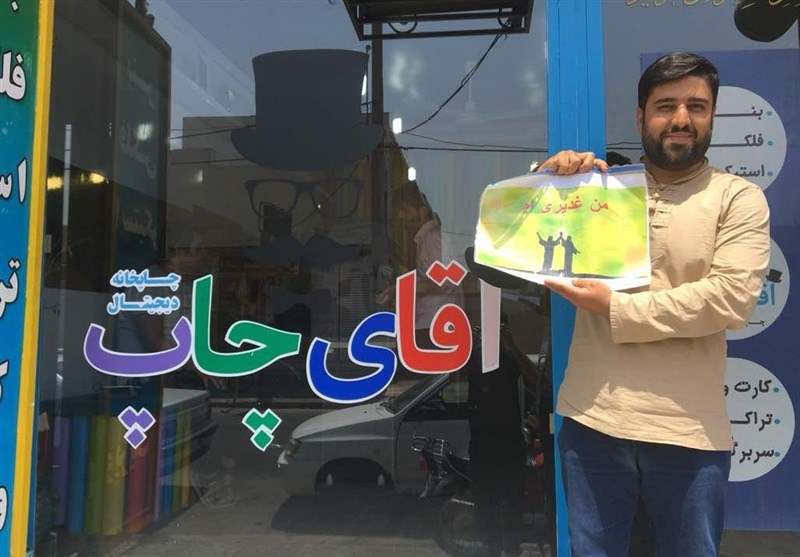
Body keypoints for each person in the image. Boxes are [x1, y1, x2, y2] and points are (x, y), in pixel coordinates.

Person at [536, 53, 770, 557]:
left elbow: (730, 299)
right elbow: (525, 243)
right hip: (592, 422)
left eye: (696, 106)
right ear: (641, 117)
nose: (681, 118)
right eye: (666, 106)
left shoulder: (738, 198)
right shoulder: (600, 190)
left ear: (712, 116)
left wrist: (616, 310)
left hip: (689, 431)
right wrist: (552, 181)